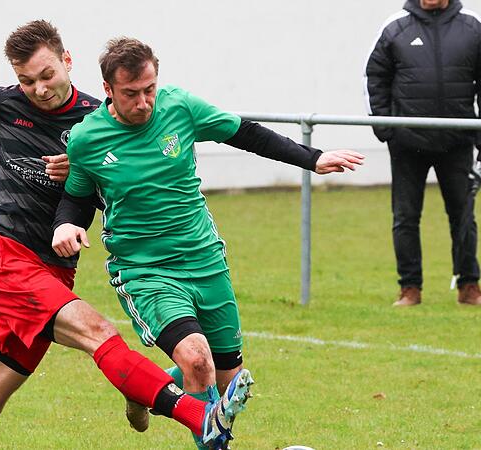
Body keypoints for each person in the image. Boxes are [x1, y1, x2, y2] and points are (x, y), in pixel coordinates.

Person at [0, 21, 249, 450]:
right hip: (11, 262)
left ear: (67, 61)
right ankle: (199, 416)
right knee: (98, 331)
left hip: (57, 272)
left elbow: (118, 198)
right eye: (27, 81)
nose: (39, 89)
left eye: (46, 76)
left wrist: (82, 178)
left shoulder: (96, 123)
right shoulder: (5, 104)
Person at [53, 37, 365, 448]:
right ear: (108, 90)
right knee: (197, 360)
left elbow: (246, 134)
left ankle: (144, 389)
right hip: (145, 268)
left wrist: (312, 157)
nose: (144, 102)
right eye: (131, 94)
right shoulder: (87, 139)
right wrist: (66, 226)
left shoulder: (179, 106)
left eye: (150, 89)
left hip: (204, 258)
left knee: (228, 379)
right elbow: (76, 198)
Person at [364, 0, 481, 306]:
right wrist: (385, 128)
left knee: (463, 215)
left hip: (457, 143)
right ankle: (410, 288)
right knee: (405, 217)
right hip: (408, 144)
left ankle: (469, 286)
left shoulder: (473, 26)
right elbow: (374, 78)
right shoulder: (395, 26)